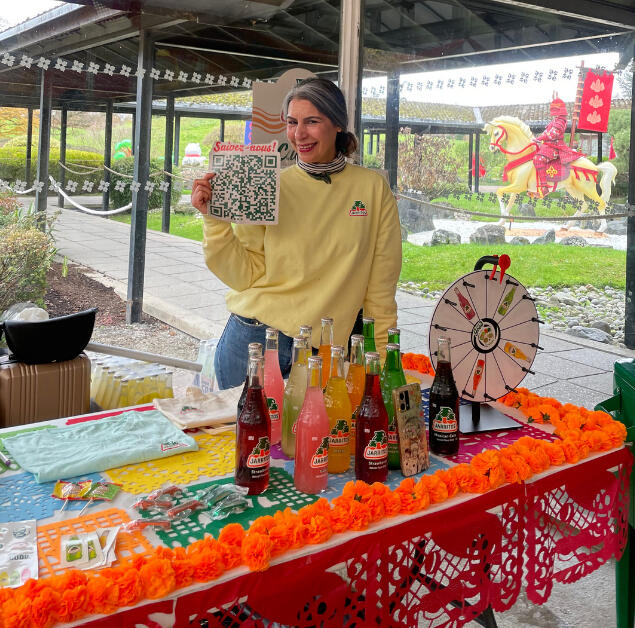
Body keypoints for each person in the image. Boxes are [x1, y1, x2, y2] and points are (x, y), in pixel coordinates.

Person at [191, 78, 402, 390]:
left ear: (338, 124)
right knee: (239, 425)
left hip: (321, 351)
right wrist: (213, 219)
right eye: (292, 122)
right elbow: (244, 275)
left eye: (311, 122)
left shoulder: (372, 189)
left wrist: (381, 364)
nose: (298, 134)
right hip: (253, 338)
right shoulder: (269, 183)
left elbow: (381, 291)